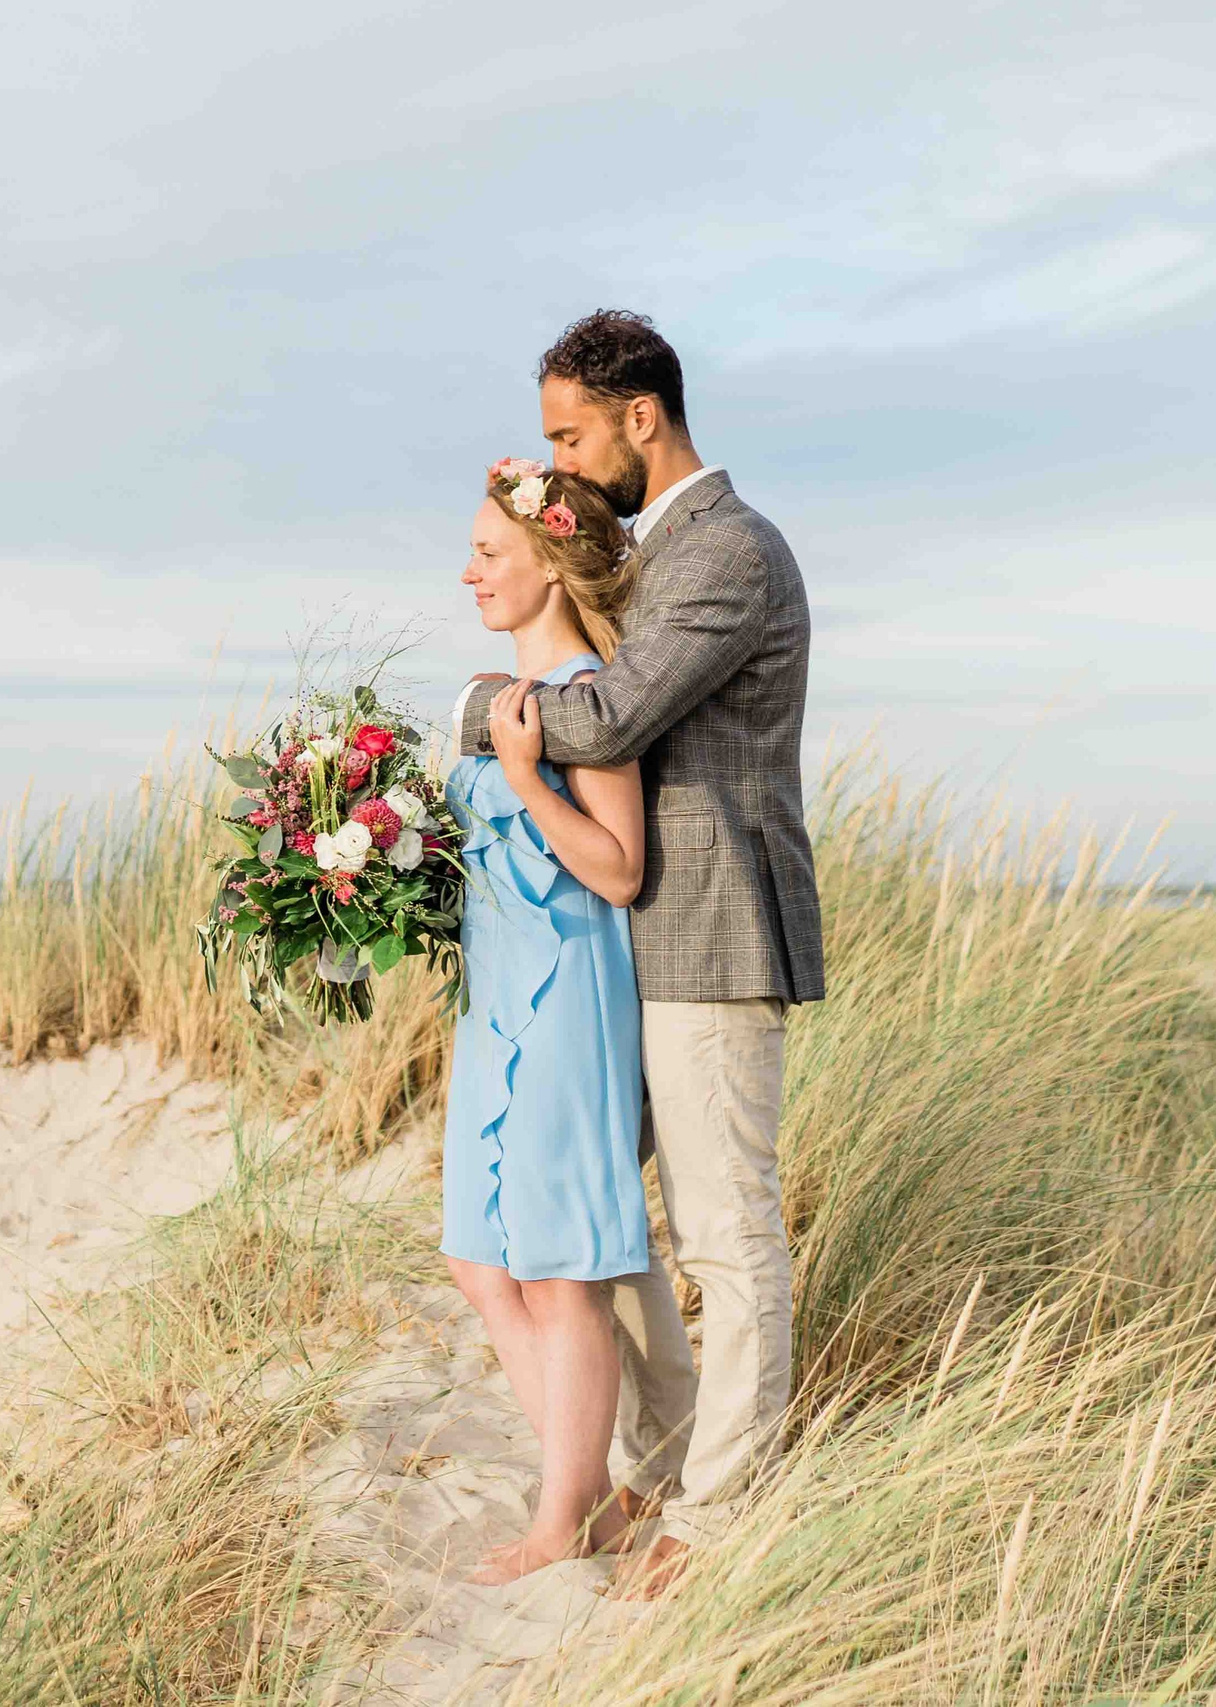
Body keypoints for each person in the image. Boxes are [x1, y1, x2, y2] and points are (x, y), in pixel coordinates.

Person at [454, 309, 825, 1599]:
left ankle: (717, 1515)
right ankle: (658, 1466)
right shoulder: (652, 554)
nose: (558, 455)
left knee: (726, 1238)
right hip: (627, 947)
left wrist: (465, 716)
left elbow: (608, 708)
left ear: (640, 419)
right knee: (604, 1237)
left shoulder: (728, 552)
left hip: (712, 935)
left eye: (571, 434)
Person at [439, 456, 647, 1584]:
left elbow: (617, 872)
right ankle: (596, 1496)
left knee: (560, 1271)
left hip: (566, 995)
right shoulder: (495, 701)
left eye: (488, 553)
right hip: (493, 1002)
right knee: (481, 1264)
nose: (467, 571)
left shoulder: (586, 704)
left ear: (549, 568)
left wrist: (526, 778)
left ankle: (562, 1513)